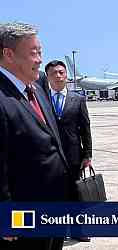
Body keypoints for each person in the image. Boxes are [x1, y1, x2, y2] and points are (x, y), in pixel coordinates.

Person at [0, 22, 70, 250]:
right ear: (8, 54)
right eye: (34, 53)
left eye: (40, 52)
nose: (40, 59)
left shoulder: (37, 89)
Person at [45, 60, 92, 242]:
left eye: (61, 72)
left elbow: (85, 128)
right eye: (53, 73)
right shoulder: (41, 98)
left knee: (75, 195)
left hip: (73, 156)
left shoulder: (78, 99)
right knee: (53, 196)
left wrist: (87, 154)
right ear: (47, 77)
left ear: (66, 76)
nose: (58, 76)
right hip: (49, 157)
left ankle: (77, 230)